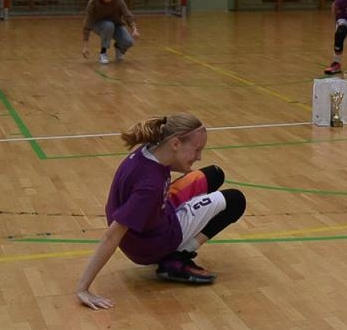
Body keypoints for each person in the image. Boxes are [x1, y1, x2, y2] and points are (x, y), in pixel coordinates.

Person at [75, 113, 249, 309]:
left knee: (215, 174)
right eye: (197, 150)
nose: (199, 157)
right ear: (175, 144)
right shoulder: (150, 187)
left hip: (156, 215)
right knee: (235, 200)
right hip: (153, 243)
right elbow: (111, 236)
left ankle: (177, 246)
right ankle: (177, 256)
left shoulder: (151, 152)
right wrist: (83, 288)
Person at [81, 0, 141, 66]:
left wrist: (134, 29)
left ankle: (118, 47)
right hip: (98, 24)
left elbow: (127, 15)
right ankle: (103, 53)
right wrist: (85, 46)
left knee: (129, 42)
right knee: (108, 26)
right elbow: (87, 24)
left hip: (116, 24)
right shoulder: (93, 3)